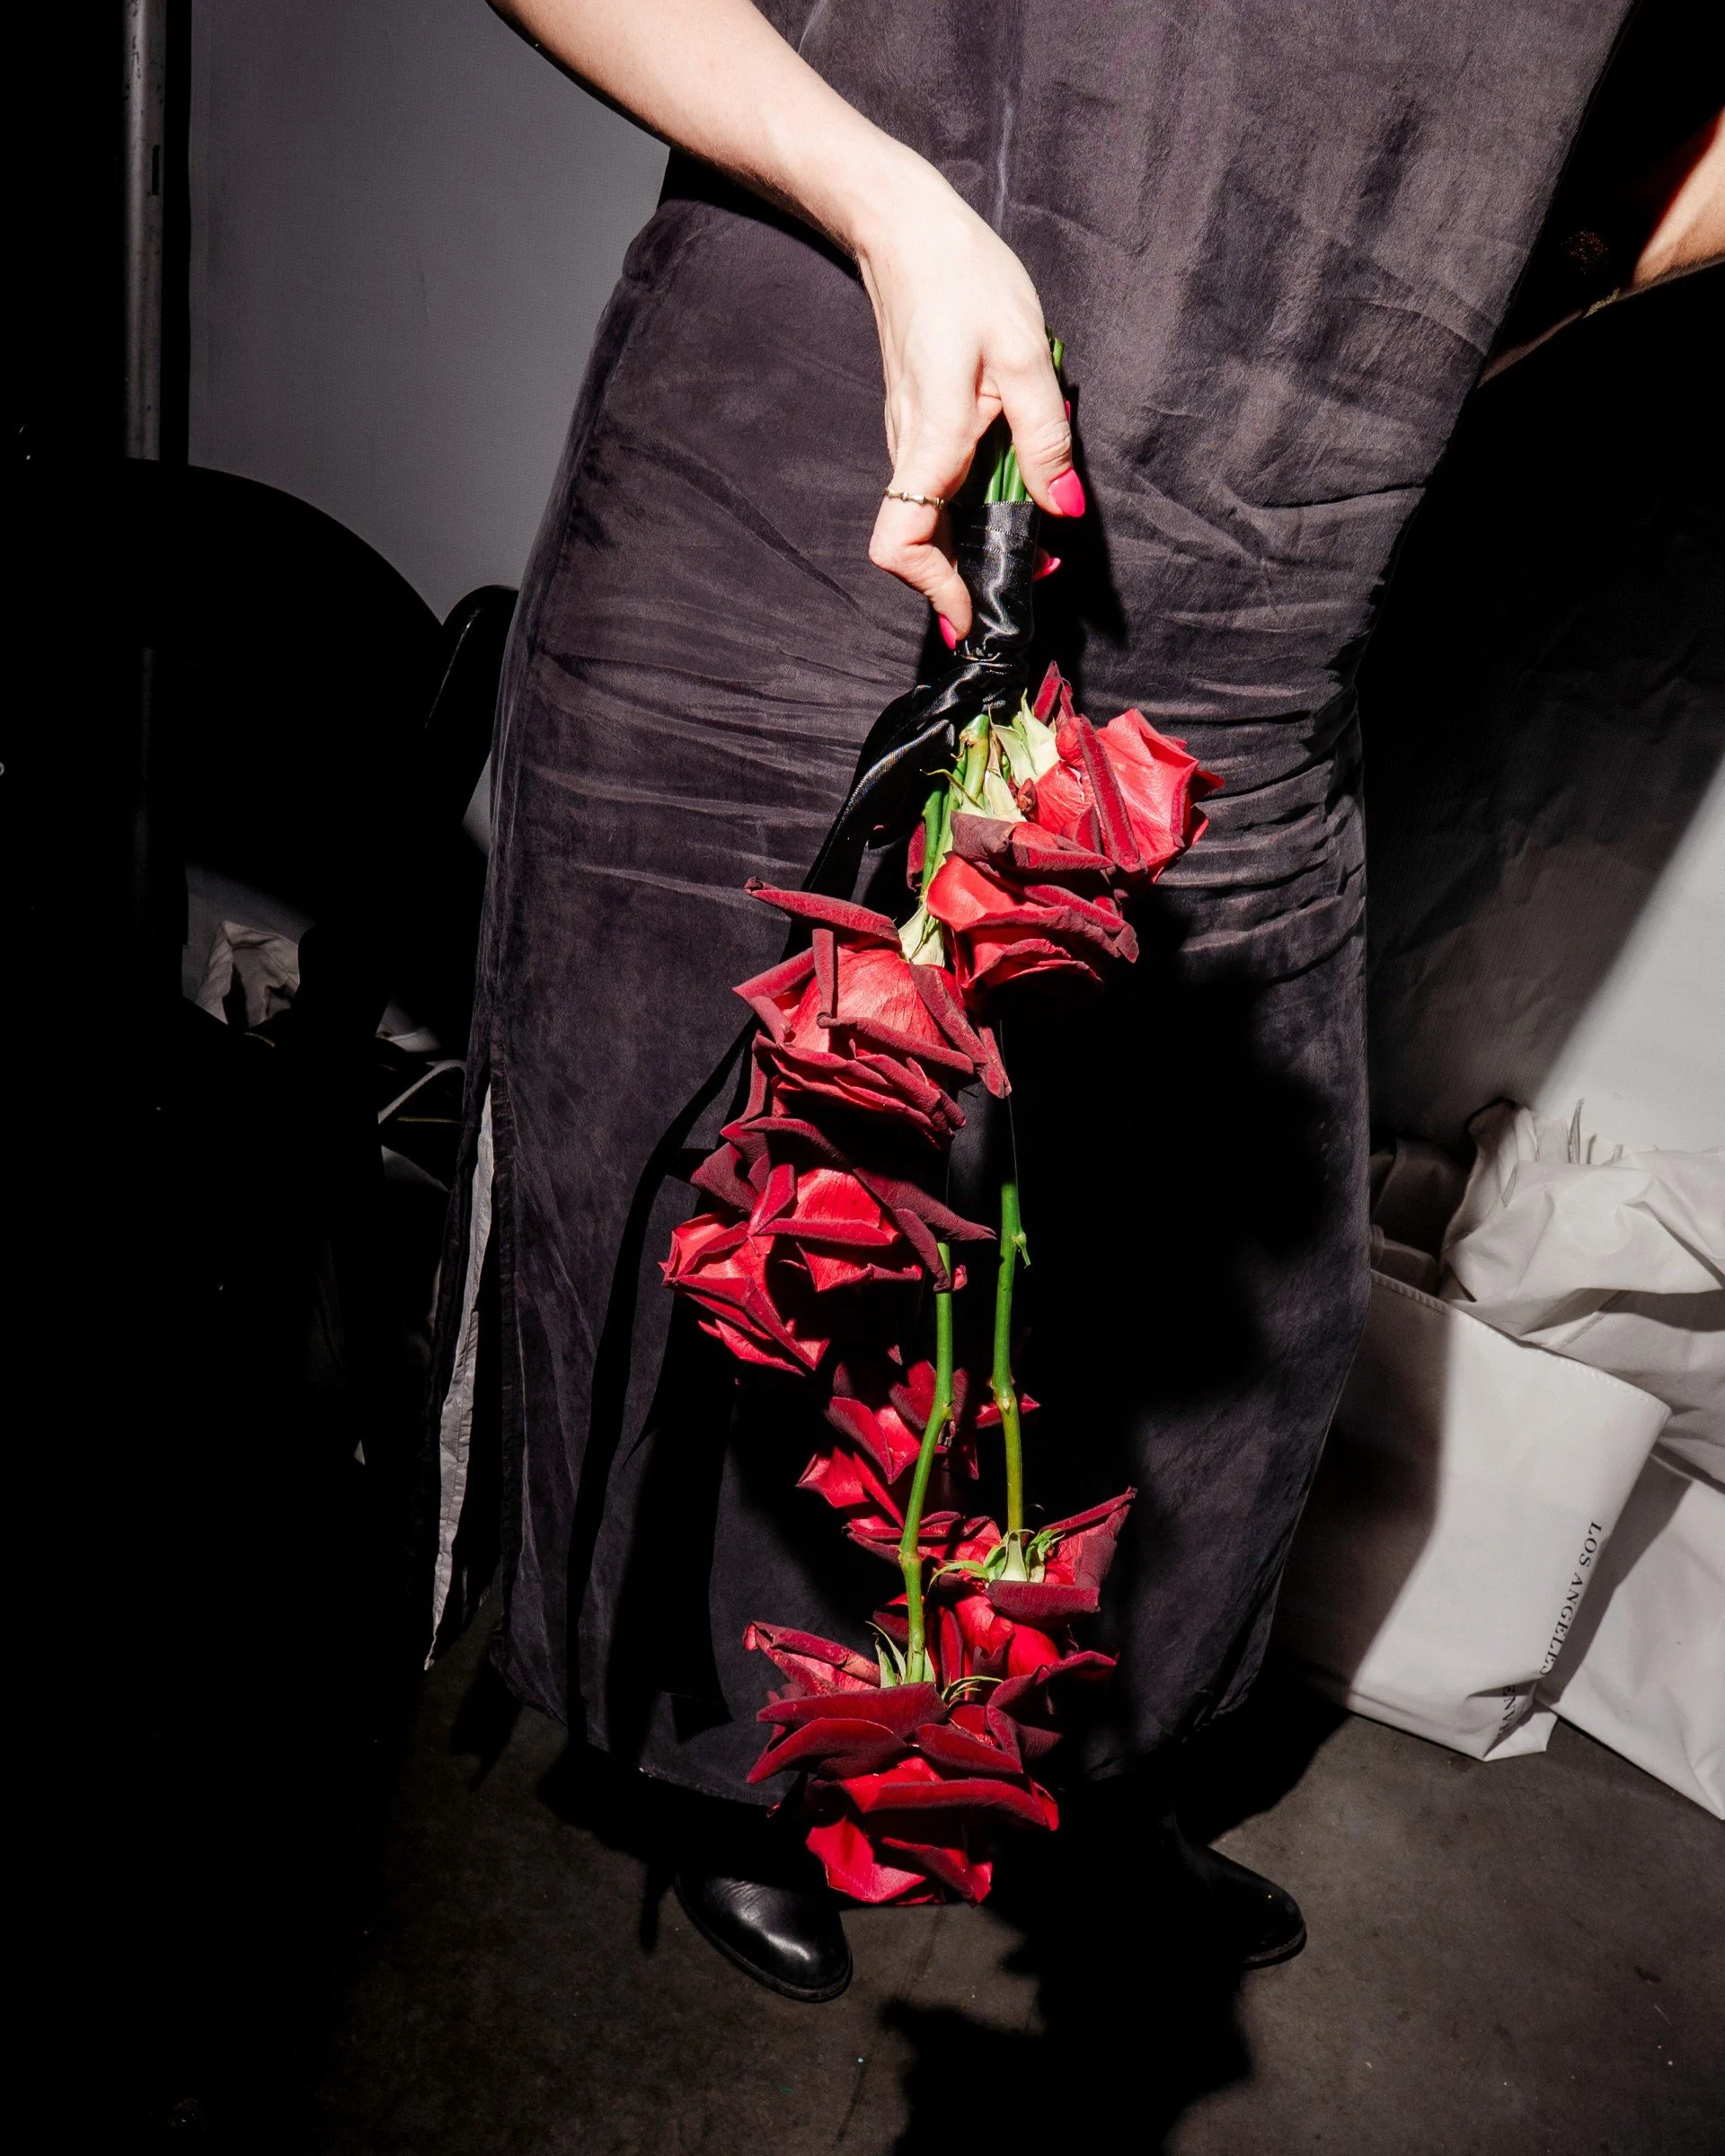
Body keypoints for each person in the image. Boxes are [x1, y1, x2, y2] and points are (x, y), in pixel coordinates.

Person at [426, 0, 1643, 2001]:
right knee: (788, 1258)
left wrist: (1509, 287)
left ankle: (1087, 1779)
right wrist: (879, 196)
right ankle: (729, 1780)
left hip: (1267, 588)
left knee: (1208, 1313)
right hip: (844, 502)